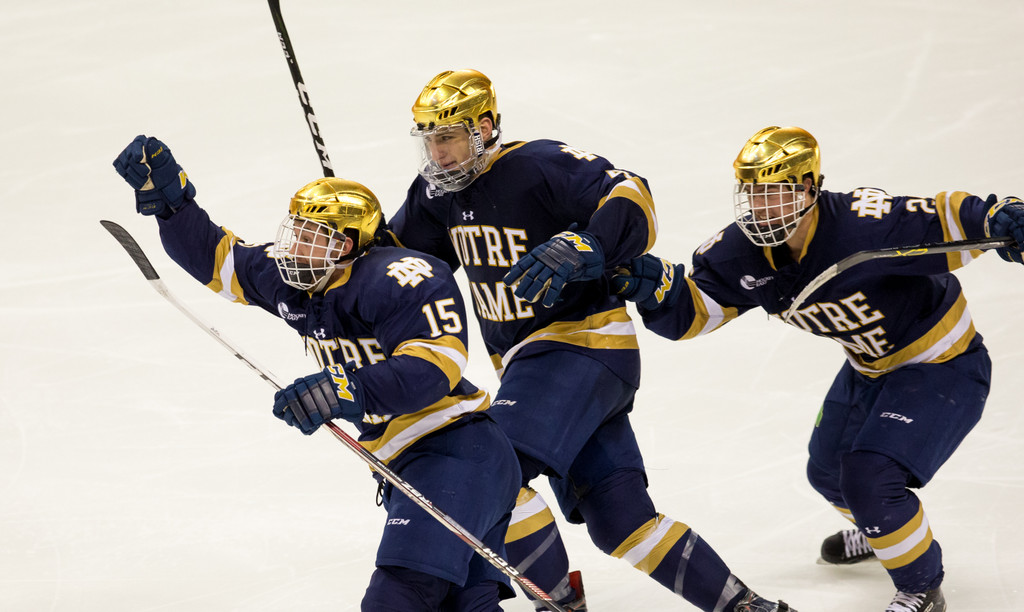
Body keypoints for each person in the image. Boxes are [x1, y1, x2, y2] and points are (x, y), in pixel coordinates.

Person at [388, 69, 794, 612]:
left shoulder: (539, 165)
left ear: (484, 128)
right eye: (430, 140)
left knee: (485, 465)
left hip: (583, 346)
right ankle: (744, 605)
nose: (438, 155)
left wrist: (590, 243)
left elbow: (632, 193)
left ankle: (554, 603)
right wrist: (364, 262)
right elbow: (404, 274)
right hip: (541, 372)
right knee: (622, 521)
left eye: (449, 137)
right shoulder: (436, 195)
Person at [612, 125, 1024, 612]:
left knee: (870, 477)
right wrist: (657, 292)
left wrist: (1002, 217)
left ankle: (921, 587)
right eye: (751, 193)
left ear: (808, 186)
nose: (759, 208)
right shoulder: (739, 252)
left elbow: (944, 217)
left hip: (944, 364)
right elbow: (693, 313)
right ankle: (884, 531)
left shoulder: (863, 226)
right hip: (869, 367)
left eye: (772, 191)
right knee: (827, 471)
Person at [112, 135, 524, 611]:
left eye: (310, 236)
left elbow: (436, 365)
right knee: (465, 606)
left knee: (398, 598)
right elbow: (222, 263)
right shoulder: (299, 281)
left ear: (345, 244)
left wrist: (343, 388)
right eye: (295, 230)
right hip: (414, 465)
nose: (292, 245)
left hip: (457, 454)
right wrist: (174, 206)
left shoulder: (398, 277)